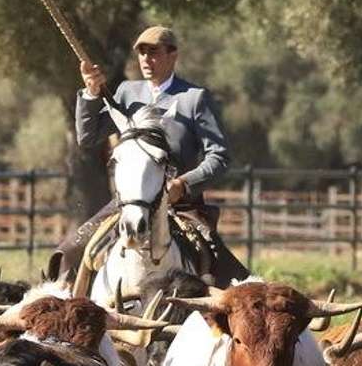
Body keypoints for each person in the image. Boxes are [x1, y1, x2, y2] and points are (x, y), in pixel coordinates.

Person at [51, 25, 249, 285]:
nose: (146, 59)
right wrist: (91, 93)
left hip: (182, 205)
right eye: (142, 53)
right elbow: (87, 138)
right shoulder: (125, 92)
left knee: (229, 277)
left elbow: (219, 157)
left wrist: (184, 184)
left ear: (173, 54)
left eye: (154, 52)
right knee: (68, 254)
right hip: (130, 202)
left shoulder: (195, 99)